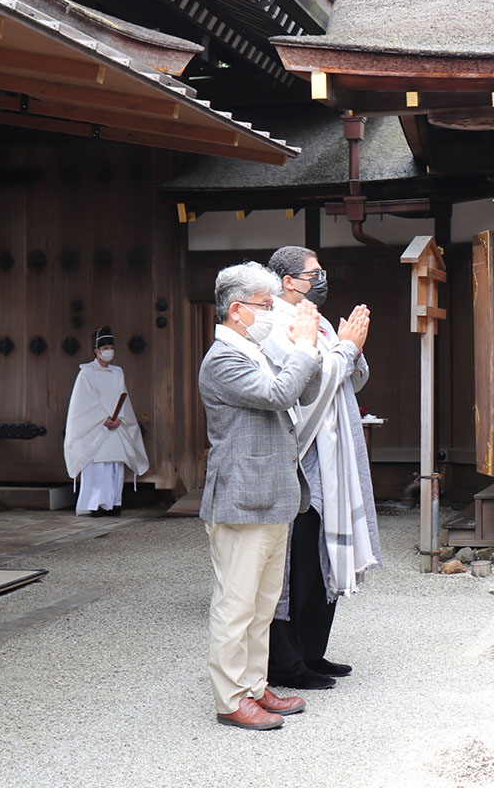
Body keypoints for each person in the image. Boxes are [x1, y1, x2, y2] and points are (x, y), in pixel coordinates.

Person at [199, 261, 324, 730]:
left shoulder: (252, 350)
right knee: (236, 603)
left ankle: (253, 686)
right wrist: (306, 347)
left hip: (271, 494)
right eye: (265, 306)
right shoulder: (223, 358)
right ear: (236, 310)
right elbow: (276, 394)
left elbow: (301, 392)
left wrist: (303, 350)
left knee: (263, 603)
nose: (272, 313)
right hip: (241, 496)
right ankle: (230, 698)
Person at [264, 245, 381, 690]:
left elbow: (351, 375)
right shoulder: (276, 324)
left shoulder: (320, 319)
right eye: (315, 273)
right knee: (298, 566)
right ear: (288, 280)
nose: (321, 279)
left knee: (324, 561)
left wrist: (351, 348)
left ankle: (313, 652)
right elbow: (305, 382)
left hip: (334, 456)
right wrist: (346, 350)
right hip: (305, 458)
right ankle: (287, 664)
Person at [63, 326, 148, 517]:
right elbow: (84, 403)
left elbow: (123, 398)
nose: (109, 351)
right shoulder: (86, 373)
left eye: (111, 346)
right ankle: (95, 504)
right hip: (97, 427)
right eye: (105, 347)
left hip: (116, 425)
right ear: (96, 351)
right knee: (97, 468)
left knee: (114, 467)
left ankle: (114, 503)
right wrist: (103, 419)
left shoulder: (118, 372)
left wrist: (120, 419)